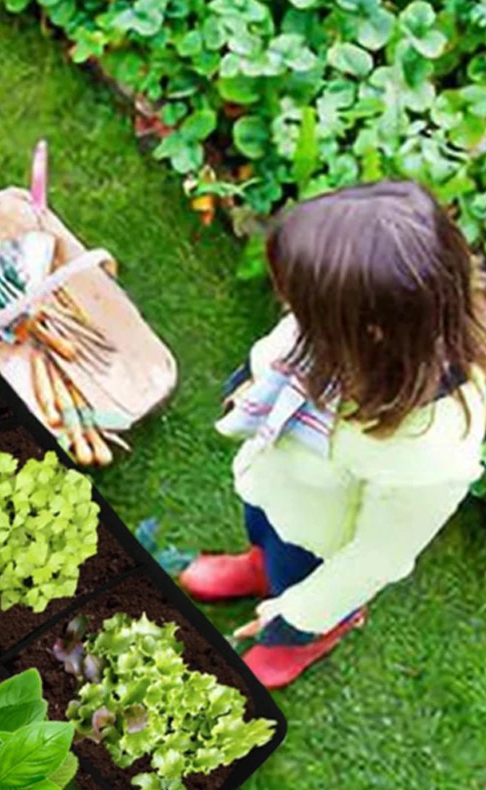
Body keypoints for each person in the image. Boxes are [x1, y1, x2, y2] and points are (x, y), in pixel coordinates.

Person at [180, 180, 486, 689]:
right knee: (266, 530)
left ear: (370, 330)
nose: (291, 311)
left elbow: (376, 557)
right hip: (279, 483)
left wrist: (301, 613)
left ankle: (308, 637)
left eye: (303, 305)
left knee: (296, 574)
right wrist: (251, 381)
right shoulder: (351, 330)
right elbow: (286, 347)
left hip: (323, 542)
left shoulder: (432, 453)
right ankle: (260, 566)